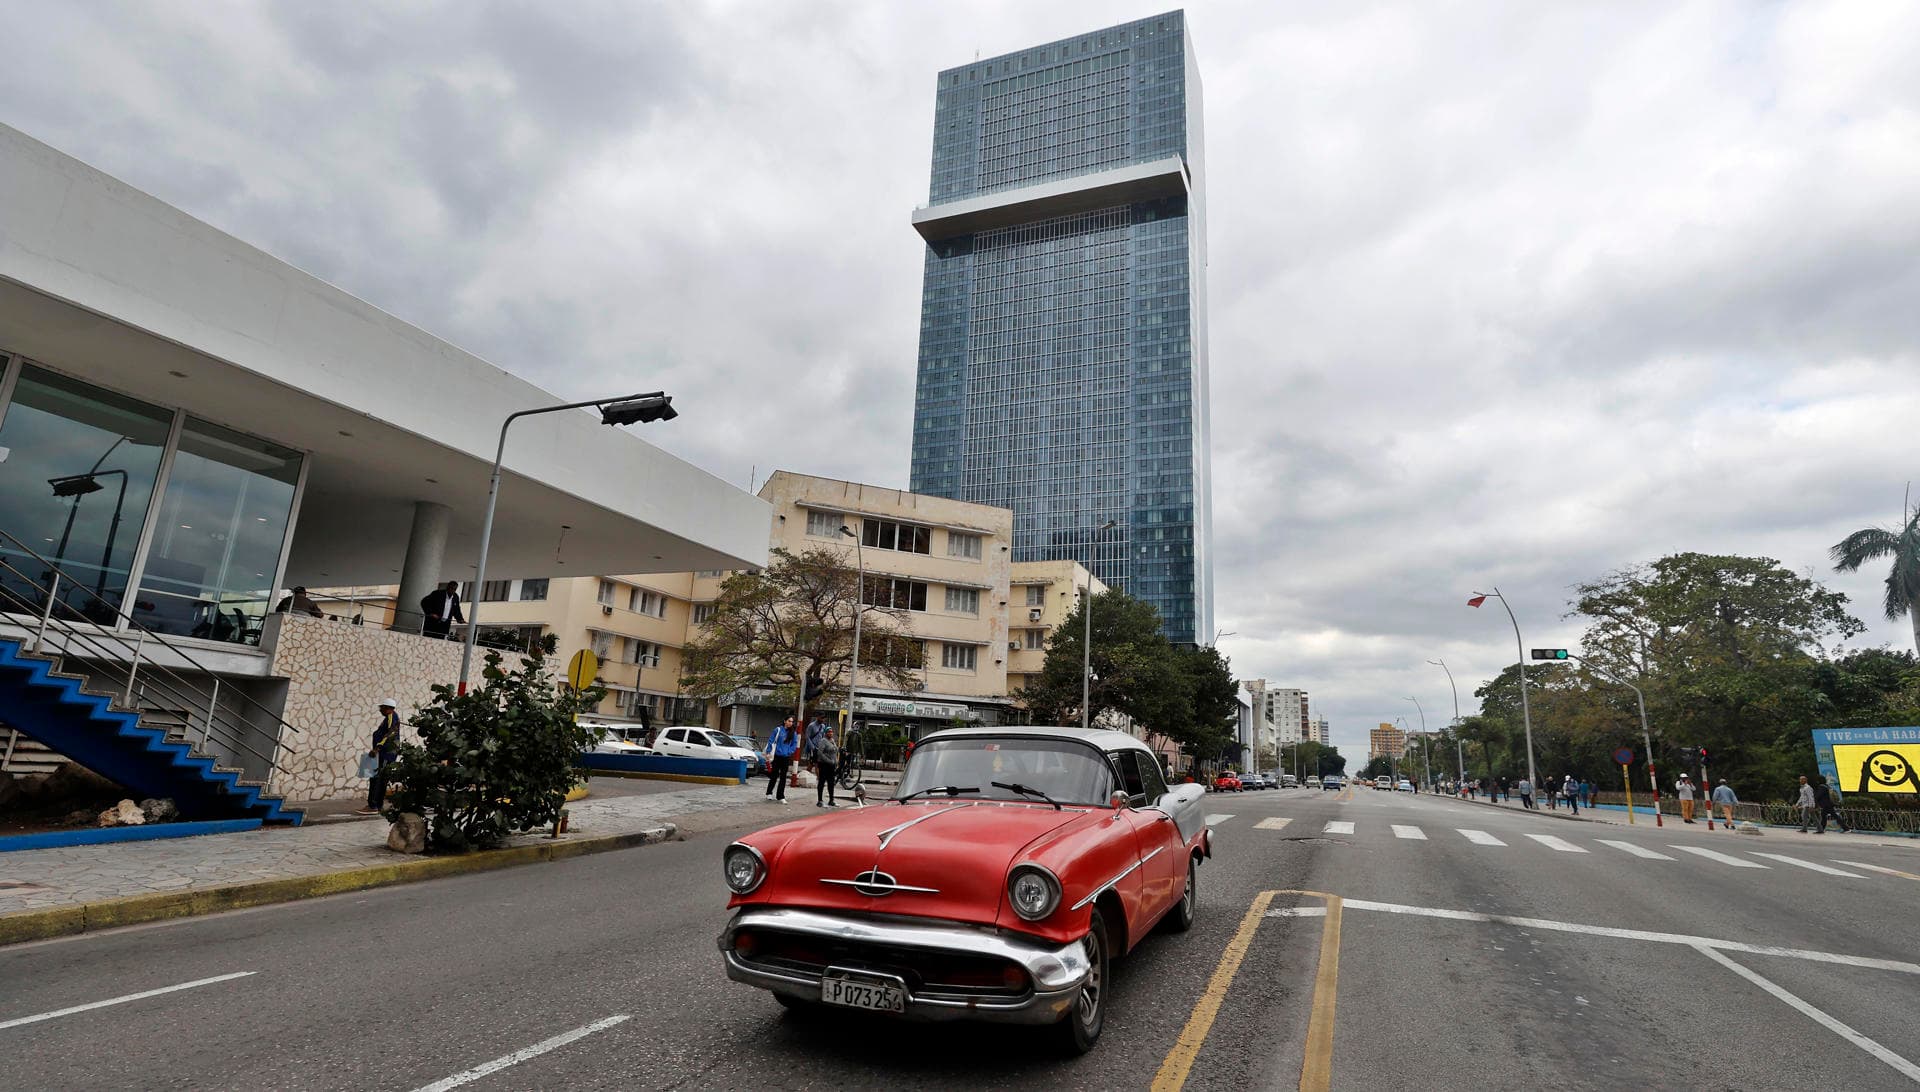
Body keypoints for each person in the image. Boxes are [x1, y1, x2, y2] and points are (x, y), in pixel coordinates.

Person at [361, 698, 400, 813]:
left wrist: (377, 748)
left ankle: (373, 805)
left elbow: (390, 734)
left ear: (388, 708)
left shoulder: (391, 717)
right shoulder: (390, 717)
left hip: (385, 753)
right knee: (380, 778)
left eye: (381, 708)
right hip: (384, 752)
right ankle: (377, 805)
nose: (380, 710)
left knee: (377, 778)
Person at [764, 717, 799, 804]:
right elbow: (771, 740)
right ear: (784, 721)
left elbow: (794, 744)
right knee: (774, 775)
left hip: (786, 757)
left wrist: (790, 751)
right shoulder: (778, 730)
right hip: (776, 756)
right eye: (789, 721)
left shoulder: (793, 733)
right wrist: (768, 751)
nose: (790, 723)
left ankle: (780, 796)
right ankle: (769, 792)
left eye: (792, 721)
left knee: (783, 777)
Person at [814, 728, 841, 808]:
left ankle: (831, 800)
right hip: (824, 765)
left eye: (832, 732)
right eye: (829, 732)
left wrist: (835, 761)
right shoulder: (823, 741)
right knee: (822, 782)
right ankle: (820, 800)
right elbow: (820, 753)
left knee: (831, 782)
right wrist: (829, 761)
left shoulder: (832, 740)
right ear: (825, 733)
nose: (831, 733)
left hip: (832, 766)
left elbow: (834, 751)